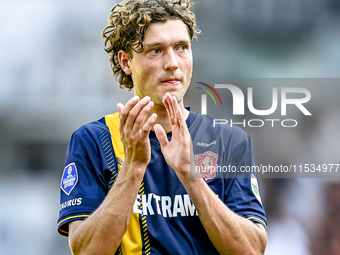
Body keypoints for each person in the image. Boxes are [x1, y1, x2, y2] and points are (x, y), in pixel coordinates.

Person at [57, 0, 268, 254]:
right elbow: (86, 251)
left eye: (181, 47)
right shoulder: (93, 141)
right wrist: (132, 168)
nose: (172, 63)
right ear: (125, 62)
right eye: (155, 50)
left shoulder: (230, 141)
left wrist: (193, 179)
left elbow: (252, 250)